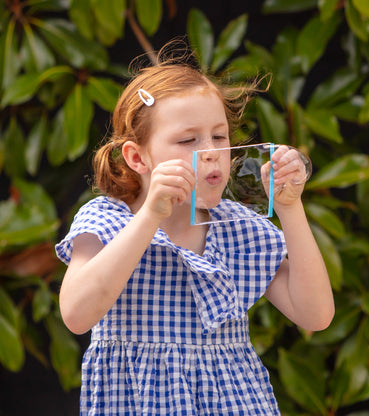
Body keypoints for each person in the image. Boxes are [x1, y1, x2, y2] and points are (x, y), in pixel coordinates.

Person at [55, 43, 334, 415]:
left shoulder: (238, 228)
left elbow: (315, 315)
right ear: (138, 157)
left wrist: (290, 208)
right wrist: (150, 216)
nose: (211, 152)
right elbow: (76, 314)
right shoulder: (107, 221)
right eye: (189, 140)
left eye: (219, 136)